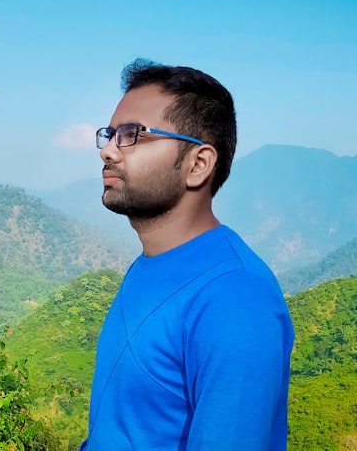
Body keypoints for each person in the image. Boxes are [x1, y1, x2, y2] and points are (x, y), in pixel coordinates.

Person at [80, 59, 294, 450]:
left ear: (198, 165)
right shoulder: (151, 262)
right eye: (110, 134)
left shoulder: (235, 300)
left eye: (132, 135)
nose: (108, 151)